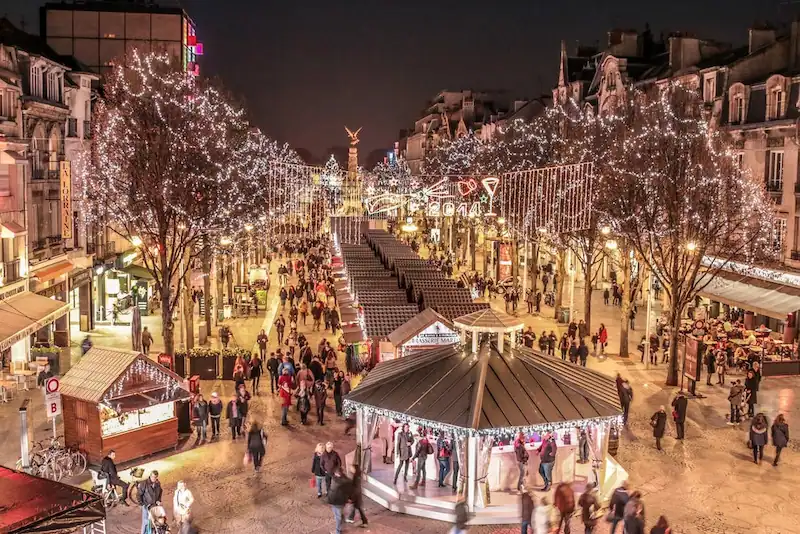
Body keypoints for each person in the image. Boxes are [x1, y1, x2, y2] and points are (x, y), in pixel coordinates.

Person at [328, 468, 353, 534]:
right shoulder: (346, 481)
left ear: (336, 473)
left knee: (337, 516)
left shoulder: (334, 479)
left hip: (334, 500)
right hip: (340, 501)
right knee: (339, 515)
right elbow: (349, 489)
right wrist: (350, 498)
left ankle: (338, 531)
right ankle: (340, 527)